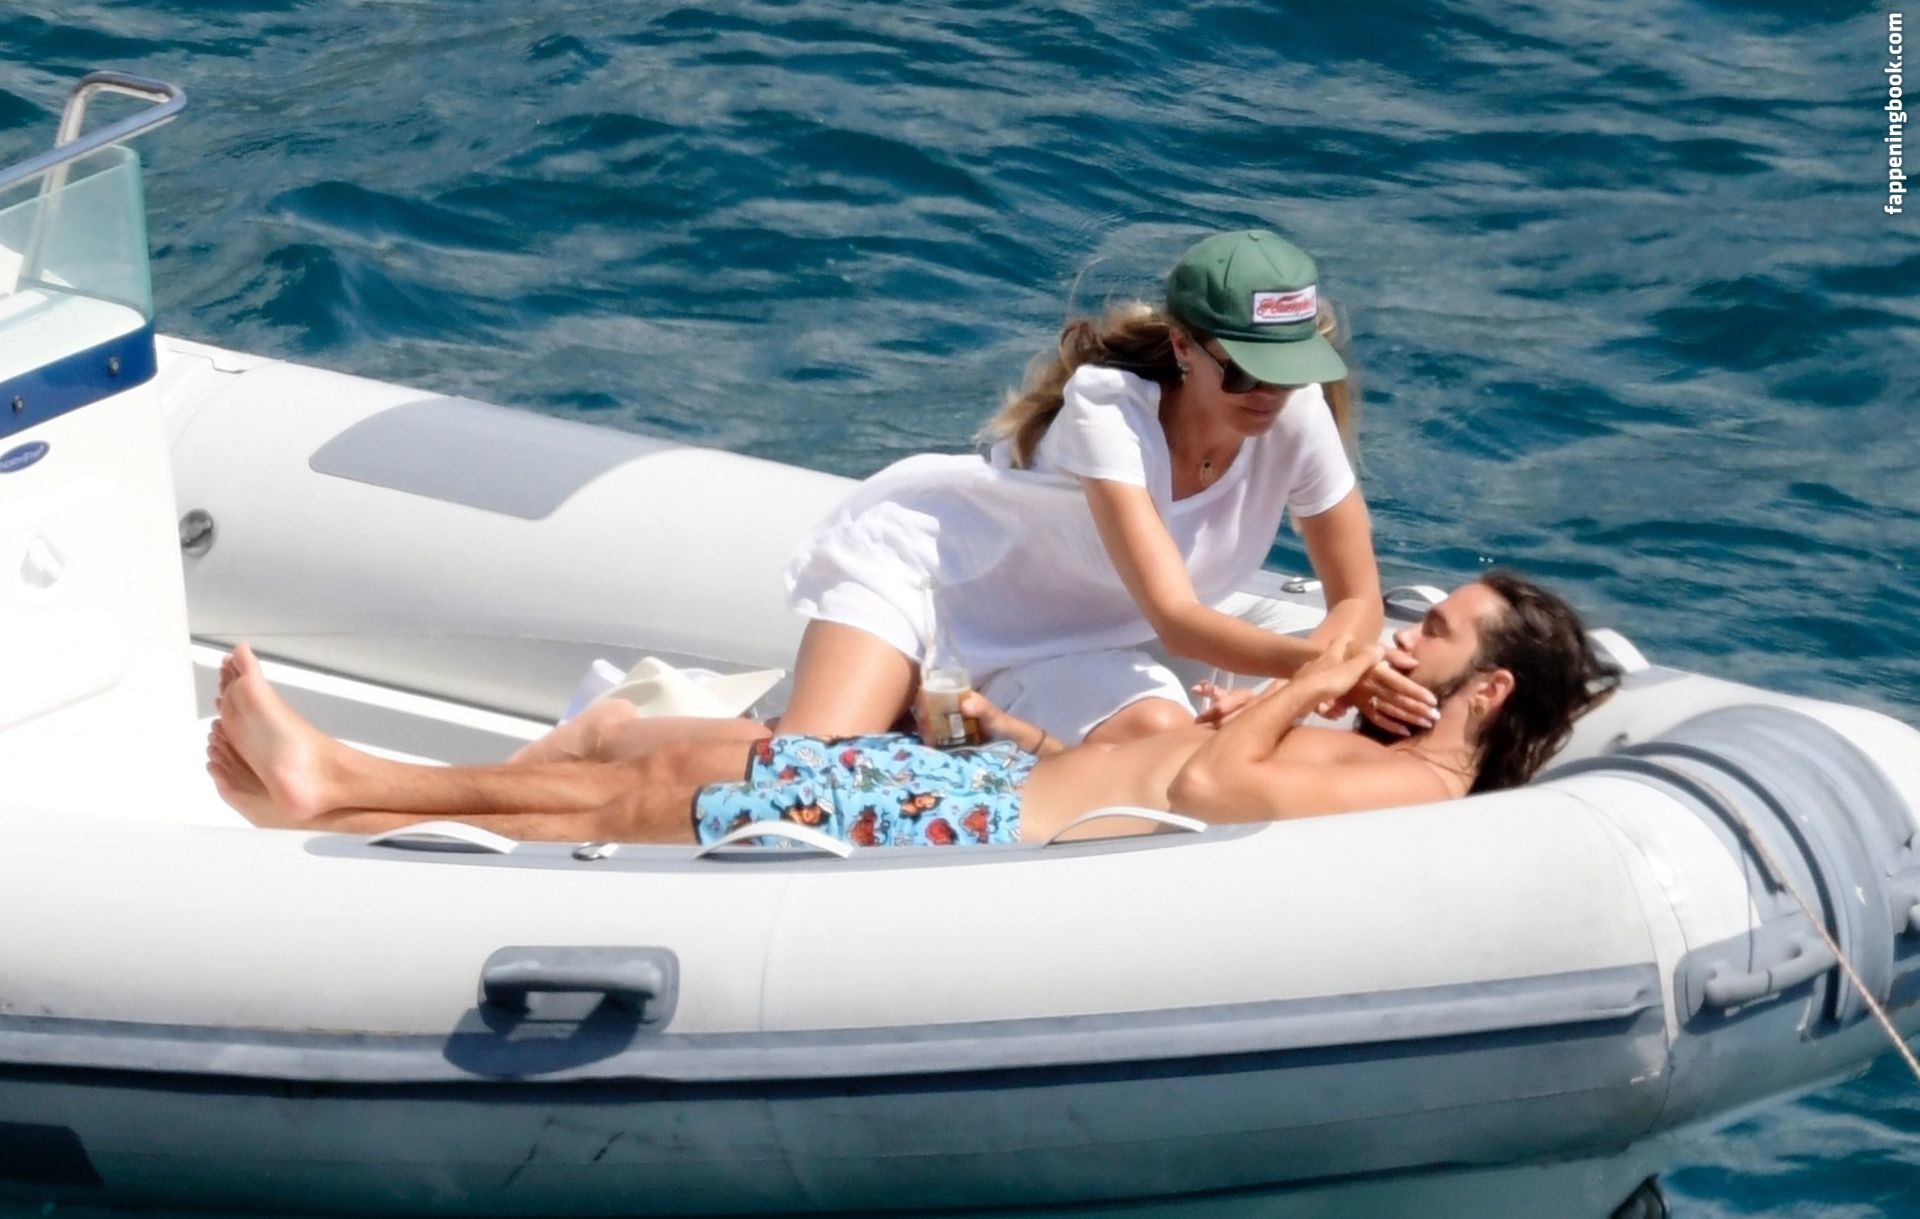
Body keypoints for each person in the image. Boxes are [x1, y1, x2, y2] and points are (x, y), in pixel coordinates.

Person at [208, 573, 1617, 845]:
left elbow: (1212, 791)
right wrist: (1275, 701)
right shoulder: (1388, 761)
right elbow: (1183, 772)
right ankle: (347, 795)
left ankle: (343, 780)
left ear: (1485, 689)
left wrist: (1307, 681)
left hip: (979, 828)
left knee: (655, 796)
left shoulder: (1416, 787)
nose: (1398, 637)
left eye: (1431, 632)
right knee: (695, 763)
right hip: (988, 796)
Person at [777, 229, 1437, 749]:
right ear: (1183, 346)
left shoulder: (1297, 415)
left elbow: (1357, 598)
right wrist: (1318, 675)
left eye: (1288, 371)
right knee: (809, 772)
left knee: (1164, 743)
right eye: (1246, 371)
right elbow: (1176, 620)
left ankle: (931, 731)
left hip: (1072, 645)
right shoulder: (1108, 407)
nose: (1269, 393)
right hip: (930, 588)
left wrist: (1282, 697)